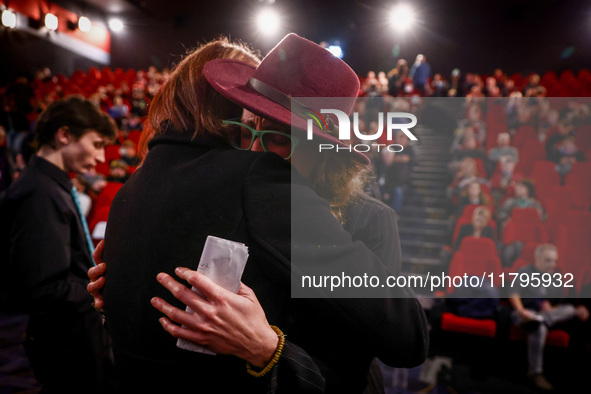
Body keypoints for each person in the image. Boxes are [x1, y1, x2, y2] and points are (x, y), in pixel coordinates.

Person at [93, 34, 427, 393]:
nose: (254, 151)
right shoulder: (253, 194)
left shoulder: (370, 219)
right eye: (248, 132)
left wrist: (269, 350)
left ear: (327, 152)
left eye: (278, 137)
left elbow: (380, 358)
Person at [0, 96, 117, 393]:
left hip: (73, 336)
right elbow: (45, 289)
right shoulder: (39, 194)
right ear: (64, 135)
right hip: (66, 344)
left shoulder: (50, 184)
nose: (101, 158)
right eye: (97, 144)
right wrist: (103, 289)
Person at [509, 244, 589, 391]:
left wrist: (551, 309)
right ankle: (535, 374)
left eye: (554, 261)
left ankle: (539, 319)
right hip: (524, 314)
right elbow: (513, 293)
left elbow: (558, 308)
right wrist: (522, 311)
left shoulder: (556, 278)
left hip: (543, 317)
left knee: (570, 309)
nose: (552, 264)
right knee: (539, 329)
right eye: (548, 260)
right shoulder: (524, 271)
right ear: (537, 259)